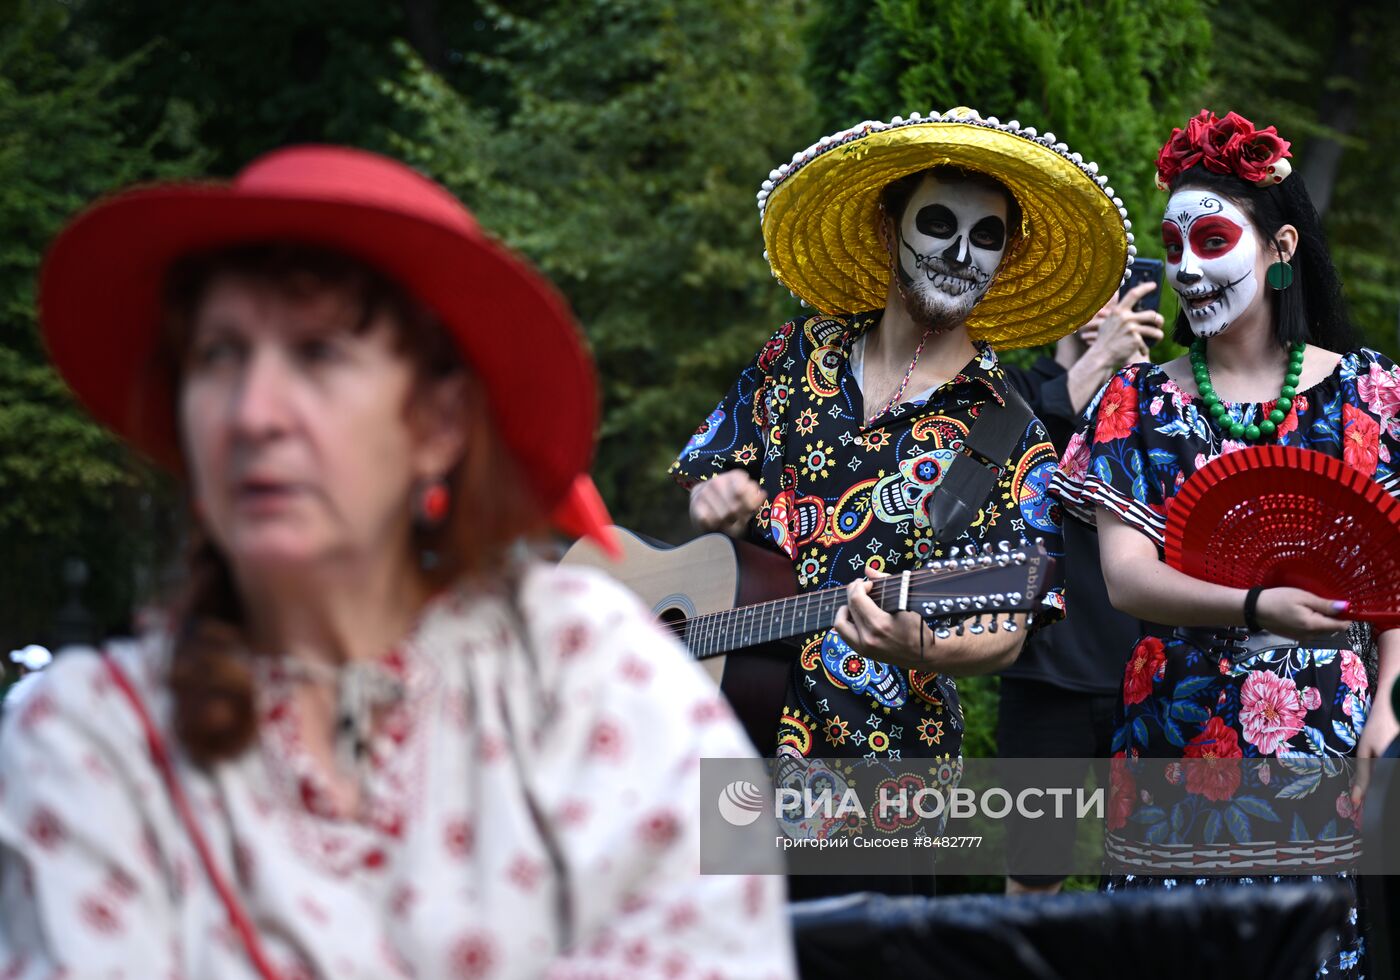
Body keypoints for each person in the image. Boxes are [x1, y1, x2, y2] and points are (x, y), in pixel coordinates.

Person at [0, 146, 796, 978]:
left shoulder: (594, 680)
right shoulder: (91, 740)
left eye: (319, 355)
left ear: (439, 424)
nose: (251, 413)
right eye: (217, 357)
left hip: (888, 794)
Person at [671, 107, 1132, 897]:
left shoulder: (1009, 431)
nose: (959, 252)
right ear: (890, 227)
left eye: (986, 236)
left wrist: (923, 646)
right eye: (940, 222)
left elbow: (1009, 629)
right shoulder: (798, 353)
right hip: (713, 744)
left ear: (1007, 256)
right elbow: (708, 494)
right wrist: (716, 500)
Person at [1052, 109, 1400, 978]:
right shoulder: (1136, 401)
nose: (1188, 268)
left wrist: (1390, 707)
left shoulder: (1371, 395)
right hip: (1177, 723)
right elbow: (1128, 580)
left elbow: (1395, 576)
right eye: (1174, 247)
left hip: (1326, 726)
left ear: (1280, 248)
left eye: (1211, 239)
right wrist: (1254, 605)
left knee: (1311, 953)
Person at [997, 283, 1165, 894]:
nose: (1110, 312)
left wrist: (1141, 383)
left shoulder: (1156, 392)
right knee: (1033, 874)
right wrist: (1098, 364)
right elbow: (1014, 457)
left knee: (1154, 875)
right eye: (1095, 296)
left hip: (1146, 674)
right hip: (1046, 675)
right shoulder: (1011, 387)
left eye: (1124, 295)